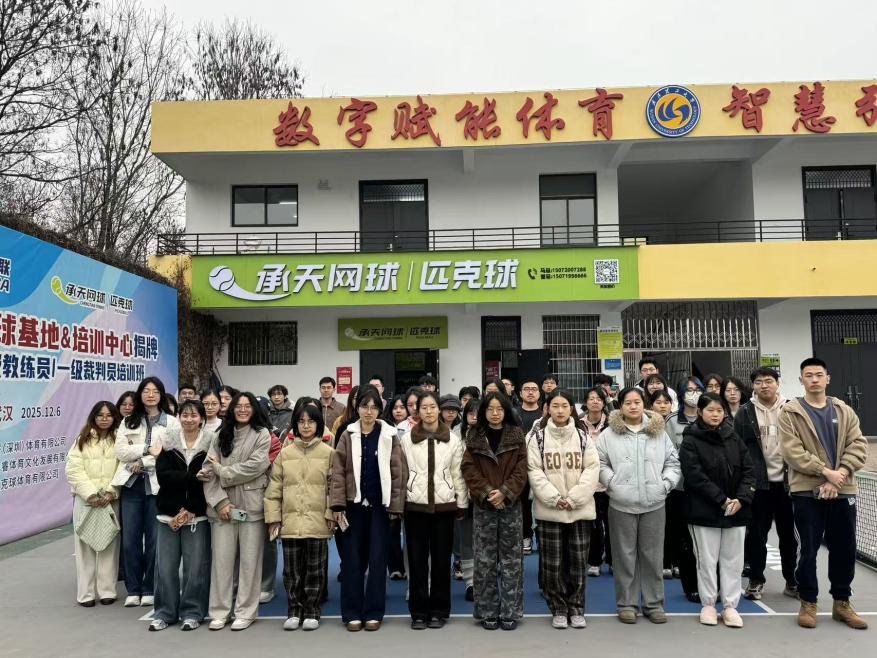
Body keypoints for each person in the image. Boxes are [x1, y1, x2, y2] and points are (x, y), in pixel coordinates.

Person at [780, 357, 869, 630]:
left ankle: (842, 602)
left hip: (843, 488)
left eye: (819, 374)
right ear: (801, 380)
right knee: (808, 549)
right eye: (809, 375)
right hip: (806, 492)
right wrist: (825, 472)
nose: (814, 379)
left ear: (827, 378)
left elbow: (858, 445)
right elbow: (792, 452)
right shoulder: (790, 413)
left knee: (844, 548)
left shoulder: (844, 410)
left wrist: (839, 474)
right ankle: (808, 601)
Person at [596, 387, 681, 624]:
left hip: (654, 502)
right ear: (620, 406)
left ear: (644, 404)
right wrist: (612, 483)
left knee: (653, 556)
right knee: (624, 556)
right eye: (628, 403)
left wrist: (665, 484)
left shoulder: (658, 431)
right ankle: (627, 604)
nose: (633, 406)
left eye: (637, 402)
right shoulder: (608, 434)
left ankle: (654, 604)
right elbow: (600, 462)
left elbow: (673, 462)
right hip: (621, 503)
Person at [330, 386, 406, 632]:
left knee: (377, 559)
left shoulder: (389, 434)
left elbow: (398, 473)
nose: (369, 412)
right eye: (365, 406)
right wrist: (337, 504)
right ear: (357, 407)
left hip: (380, 509)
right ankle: (352, 612)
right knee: (352, 560)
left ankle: (374, 611)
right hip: (352, 508)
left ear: (380, 409)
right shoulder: (347, 434)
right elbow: (338, 472)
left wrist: (396, 506)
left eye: (374, 407)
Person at [680, 393, 755, 628]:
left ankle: (730, 606)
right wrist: (722, 500)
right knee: (706, 560)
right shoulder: (690, 440)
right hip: (703, 511)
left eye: (719, 410)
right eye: (710, 410)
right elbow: (694, 476)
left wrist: (741, 499)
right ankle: (709, 605)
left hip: (736, 511)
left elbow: (749, 470)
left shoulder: (733, 437)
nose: (715, 414)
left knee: (733, 561)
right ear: (700, 412)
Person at [527, 390, 599, 629]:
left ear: (571, 409)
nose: (559, 410)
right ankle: (558, 607)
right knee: (552, 564)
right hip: (550, 510)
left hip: (579, 510)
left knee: (578, 562)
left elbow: (592, 469)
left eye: (564, 406)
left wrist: (574, 498)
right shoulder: (537, 438)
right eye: (555, 406)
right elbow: (534, 471)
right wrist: (555, 498)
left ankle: (576, 607)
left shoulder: (582, 436)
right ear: (547, 409)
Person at [202, 391, 271, 631]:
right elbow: (208, 471)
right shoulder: (220, 434)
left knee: (250, 563)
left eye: (247, 405)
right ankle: (219, 611)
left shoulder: (262, 434)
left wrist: (223, 471)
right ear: (231, 409)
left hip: (251, 507)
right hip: (223, 510)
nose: (242, 409)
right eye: (238, 406)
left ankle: (246, 611)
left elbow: (256, 466)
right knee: (221, 563)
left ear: (254, 409)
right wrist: (220, 503)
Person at [264, 403, 336, 631]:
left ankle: (312, 611)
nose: (306, 426)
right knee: (291, 571)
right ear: (295, 425)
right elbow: (274, 489)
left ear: (318, 425)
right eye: (301, 421)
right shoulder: (285, 454)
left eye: (311, 421)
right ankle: (294, 610)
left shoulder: (329, 453)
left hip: (318, 521)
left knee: (316, 570)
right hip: (291, 522)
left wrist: (331, 514)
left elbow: (333, 489)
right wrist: (274, 519)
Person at [401, 391, 469, 629]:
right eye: (424, 407)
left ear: (438, 410)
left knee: (441, 561)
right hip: (415, 507)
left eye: (432, 407)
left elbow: (458, 474)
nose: (429, 411)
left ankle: (439, 611)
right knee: (417, 561)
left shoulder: (453, 440)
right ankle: (419, 612)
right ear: (417, 411)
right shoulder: (406, 440)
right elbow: (402, 473)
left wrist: (461, 503)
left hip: (444, 507)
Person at [112, 376, 181, 608]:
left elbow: (170, 453)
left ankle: (149, 587)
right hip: (132, 486)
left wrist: (143, 461)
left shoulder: (171, 422)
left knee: (153, 540)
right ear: (140, 394)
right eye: (146, 391)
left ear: (161, 395)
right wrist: (146, 449)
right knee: (130, 540)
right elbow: (121, 451)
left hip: (157, 486)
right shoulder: (129, 420)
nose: (150, 395)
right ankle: (133, 588)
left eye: (155, 391)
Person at [461, 392, 528, 631]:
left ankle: (510, 612)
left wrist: (505, 492)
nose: (495, 413)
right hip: (484, 507)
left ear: (506, 410)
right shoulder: (474, 435)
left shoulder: (516, 435)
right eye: (490, 409)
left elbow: (522, 469)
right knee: (485, 561)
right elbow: (468, 468)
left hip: (511, 506)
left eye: (499, 408)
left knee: (512, 561)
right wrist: (489, 492)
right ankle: (487, 611)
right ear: (483, 412)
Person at [149, 399, 213, 631]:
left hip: (197, 515)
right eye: (185, 415)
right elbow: (163, 476)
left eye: (194, 415)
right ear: (179, 417)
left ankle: (192, 612)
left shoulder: (211, 441)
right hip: (167, 514)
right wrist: (192, 477)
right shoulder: (167, 440)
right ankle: (164, 613)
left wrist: (192, 507)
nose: (189, 419)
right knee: (165, 567)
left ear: (201, 418)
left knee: (195, 568)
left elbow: (210, 478)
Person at [735, 367, 797, 601]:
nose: (764, 385)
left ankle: (792, 580)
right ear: (753, 386)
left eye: (769, 381)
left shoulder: (792, 409)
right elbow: (738, 449)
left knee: (789, 537)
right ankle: (756, 580)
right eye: (759, 382)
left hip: (788, 485)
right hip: (758, 486)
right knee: (756, 536)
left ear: (777, 383)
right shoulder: (744, 412)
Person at [66, 401, 122, 607]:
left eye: (108, 415)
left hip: (110, 500)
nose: (104, 419)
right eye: (100, 415)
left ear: (114, 417)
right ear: (93, 417)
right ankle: (86, 594)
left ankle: (107, 591)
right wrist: (90, 494)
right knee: (84, 547)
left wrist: (111, 491)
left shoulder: (120, 439)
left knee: (109, 545)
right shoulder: (82, 439)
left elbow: (123, 468)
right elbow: (73, 470)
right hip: (86, 502)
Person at [663, 376, 704, 597]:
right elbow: (667, 455)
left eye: (697, 389)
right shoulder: (671, 421)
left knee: (705, 539)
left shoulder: (710, 415)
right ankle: (690, 586)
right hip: (679, 488)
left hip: (705, 489)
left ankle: (709, 584)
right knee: (684, 538)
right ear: (680, 394)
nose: (693, 394)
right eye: (689, 390)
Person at [580, 387, 611, 578]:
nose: (595, 401)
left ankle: (613, 561)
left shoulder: (613, 423)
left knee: (612, 523)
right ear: (586, 402)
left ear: (604, 402)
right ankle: (594, 561)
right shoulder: (578, 424)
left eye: (599, 398)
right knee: (593, 524)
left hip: (610, 481)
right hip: (588, 482)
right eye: (591, 398)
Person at [456, 398, 480, 601]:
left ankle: (485, 580)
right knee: (466, 542)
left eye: (478, 412)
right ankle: (470, 582)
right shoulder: (456, 436)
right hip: (464, 494)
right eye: (470, 412)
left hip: (486, 495)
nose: (474, 416)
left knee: (487, 541)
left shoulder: (492, 434)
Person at [515, 379, 542, 555]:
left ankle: (542, 537)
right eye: (526, 389)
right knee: (523, 503)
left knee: (543, 500)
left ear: (539, 393)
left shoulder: (544, 413)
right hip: (520, 465)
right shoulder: (514, 413)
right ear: (520, 393)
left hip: (541, 465)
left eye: (534, 389)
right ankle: (526, 537)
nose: (530, 392)